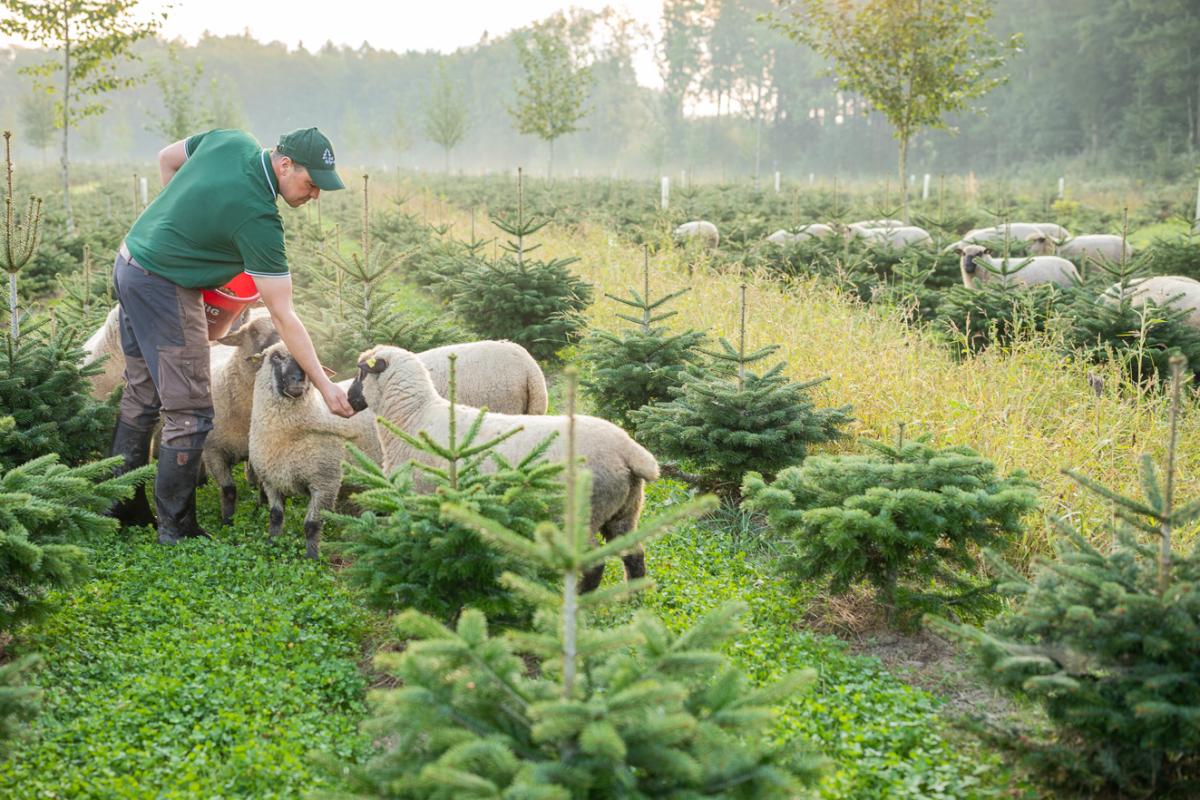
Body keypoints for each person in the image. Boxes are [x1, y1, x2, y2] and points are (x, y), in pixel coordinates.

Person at [107, 127, 354, 545]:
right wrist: (325, 384)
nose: (314, 196)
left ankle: (118, 503)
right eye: (311, 184)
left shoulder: (231, 140)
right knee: (191, 408)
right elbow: (283, 314)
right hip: (164, 287)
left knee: (142, 392)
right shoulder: (258, 218)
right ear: (285, 164)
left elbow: (167, 158)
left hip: (130, 262)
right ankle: (177, 529)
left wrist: (181, 226)